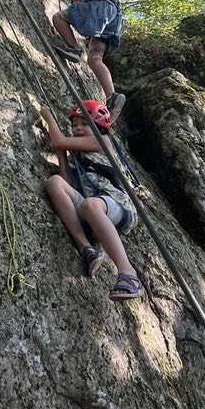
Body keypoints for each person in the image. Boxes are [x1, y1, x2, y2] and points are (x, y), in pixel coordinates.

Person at [39, 101, 143, 301]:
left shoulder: (102, 141)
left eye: (84, 124)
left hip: (119, 204)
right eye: (74, 124)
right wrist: (61, 155)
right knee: (55, 183)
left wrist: (48, 116)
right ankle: (87, 248)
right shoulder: (78, 155)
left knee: (90, 205)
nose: (77, 128)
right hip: (93, 209)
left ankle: (128, 274)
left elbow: (59, 140)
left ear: (99, 127)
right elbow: (68, 181)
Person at [47, 0, 125, 122]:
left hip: (100, 5)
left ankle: (74, 49)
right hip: (113, 14)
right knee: (95, 58)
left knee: (59, 17)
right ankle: (112, 95)